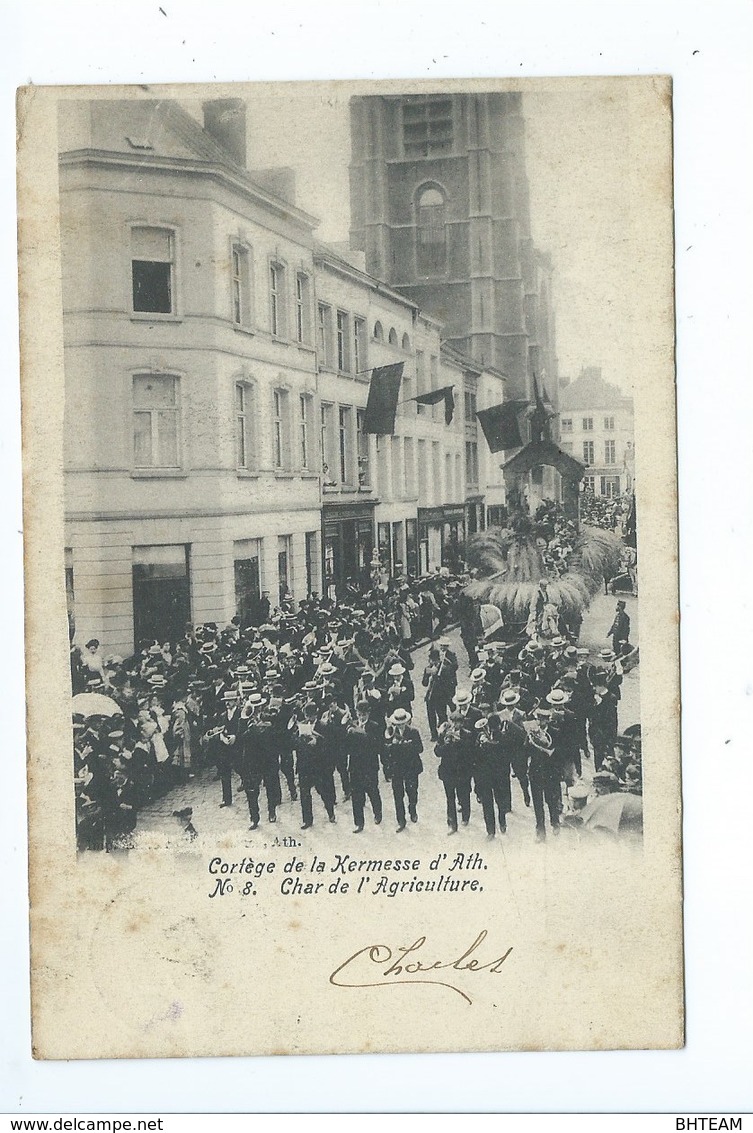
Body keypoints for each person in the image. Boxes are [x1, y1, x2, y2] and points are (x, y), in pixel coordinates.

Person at [382, 708, 424, 832]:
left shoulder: (414, 732)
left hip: (411, 767)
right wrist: (392, 746)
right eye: (397, 723)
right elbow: (385, 749)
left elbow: (420, 749)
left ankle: (412, 809)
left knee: (412, 792)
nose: (400, 725)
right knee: (398, 795)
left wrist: (406, 745)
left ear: (406, 722)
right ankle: (401, 821)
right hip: (397, 768)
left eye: (402, 723)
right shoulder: (390, 732)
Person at [346, 701, 383, 833]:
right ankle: (359, 823)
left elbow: (376, 745)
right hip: (355, 765)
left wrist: (357, 732)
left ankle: (377, 813)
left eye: (364, 714)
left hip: (369, 766)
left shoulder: (375, 726)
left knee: (373, 792)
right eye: (359, 714)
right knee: (356, 795)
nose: (361, 717)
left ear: (369, 713)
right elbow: (346, 746)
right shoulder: (352, 725)